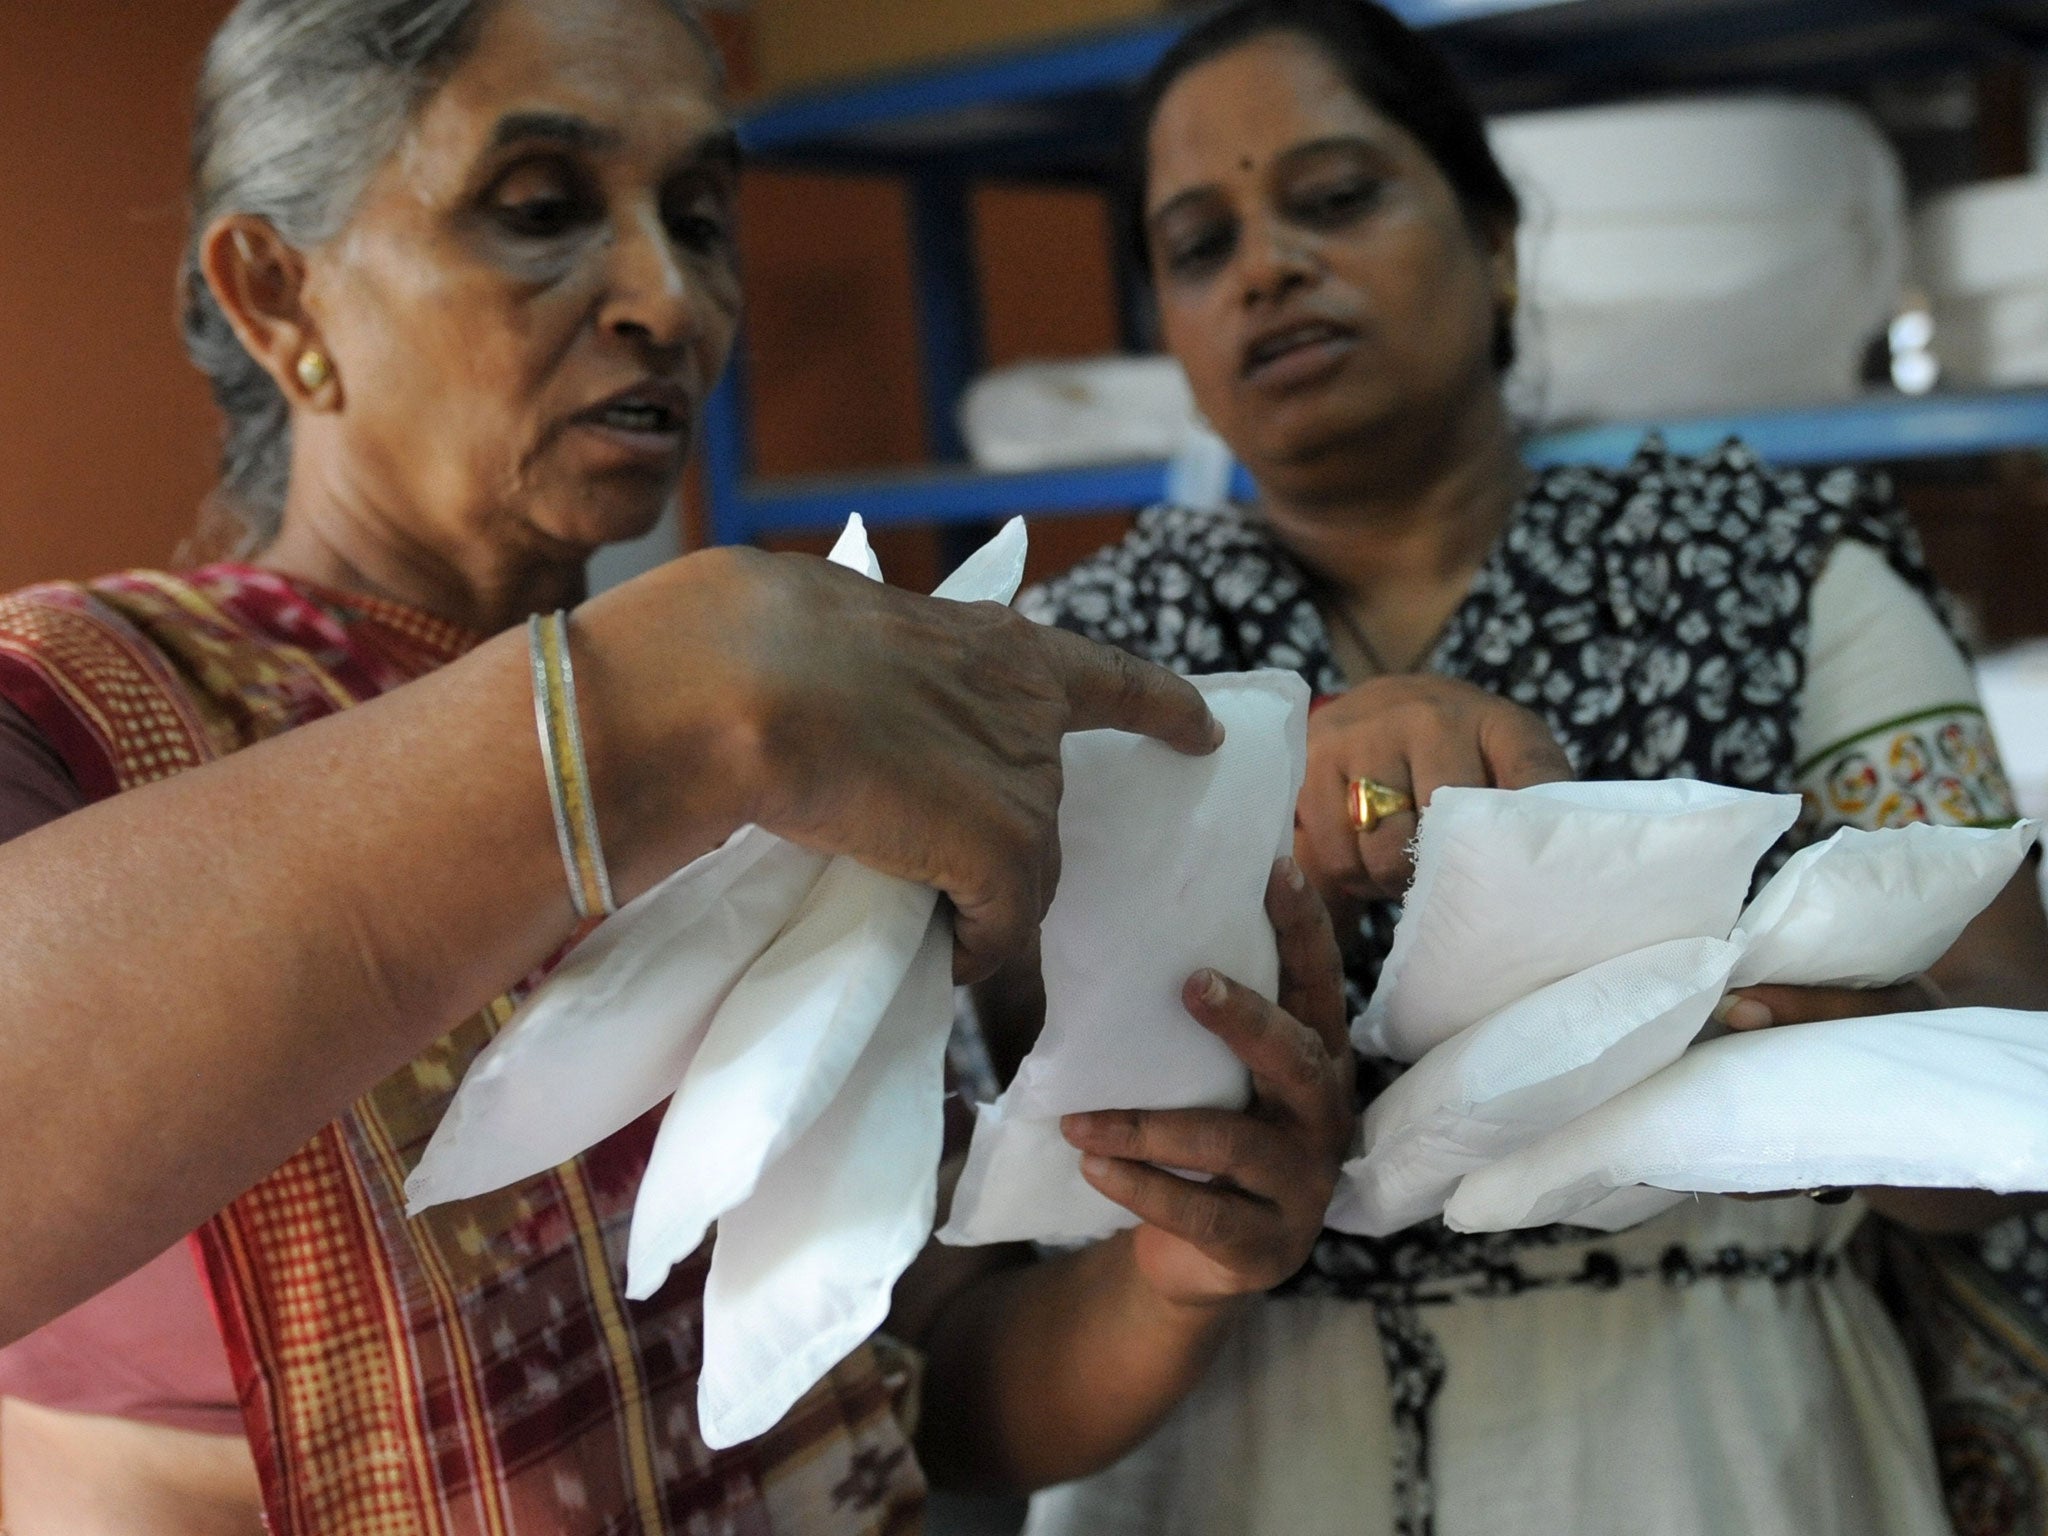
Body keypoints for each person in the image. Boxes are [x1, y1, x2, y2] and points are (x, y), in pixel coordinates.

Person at [0, 0, 1396, 1528]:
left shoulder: (791, 732)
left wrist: (1178, 1274)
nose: (671, 298)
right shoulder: (85, 708)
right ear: (278, 296)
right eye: (540, 209)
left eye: (703, 215)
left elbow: (907, 1379)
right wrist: (652, 707)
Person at [902, 3, 2048, 1533]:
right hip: (1230, 1461)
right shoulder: (1077, 663)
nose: (1268, 266)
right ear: (1172, 333)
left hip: (1711, 1449)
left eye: (1336, 196)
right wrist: (1253, 854)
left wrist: (1825, 1056)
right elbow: (974, 1243)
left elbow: (2012, 1086)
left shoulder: (1776, 567)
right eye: (1199, 244)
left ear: (1497, 244)